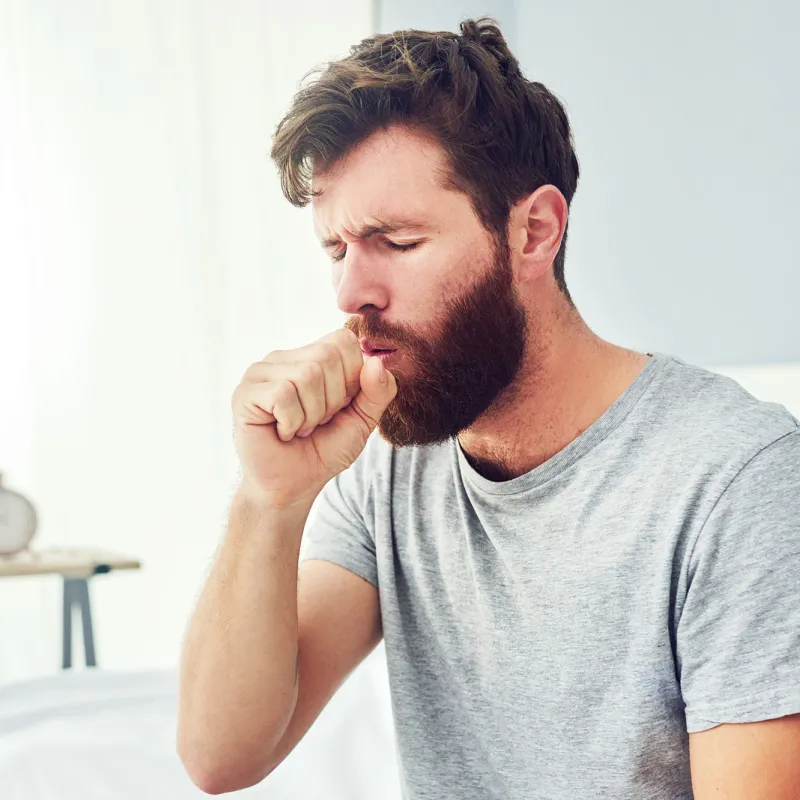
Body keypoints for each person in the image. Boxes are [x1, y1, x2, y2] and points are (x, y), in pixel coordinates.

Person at [177, 17, 800, 799]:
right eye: (336, 250)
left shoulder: (736, 481)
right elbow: (219, 756)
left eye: (395, 241)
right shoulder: (391, 473)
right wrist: (268, 500)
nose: (349, 294)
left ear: (533, 231)